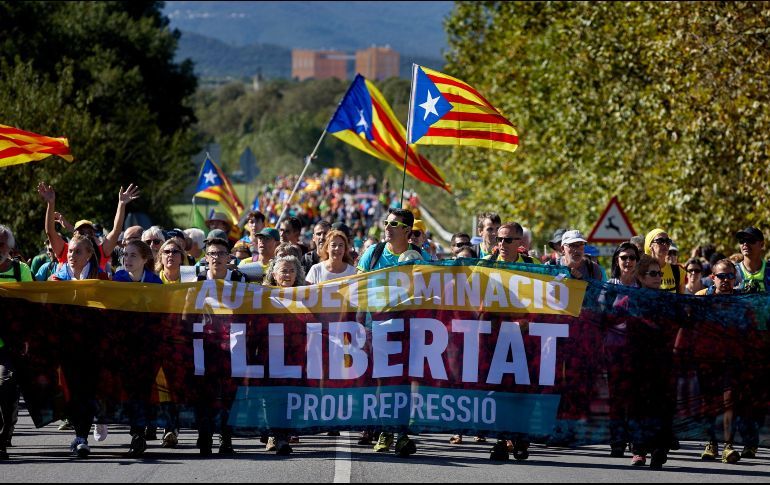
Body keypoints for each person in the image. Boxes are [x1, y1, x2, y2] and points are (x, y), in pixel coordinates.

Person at [355, 209, 426, 456]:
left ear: (407, 230)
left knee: (403, 383)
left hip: (408, 329)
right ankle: (385, 430)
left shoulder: (419, 256)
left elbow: (430, 290)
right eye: (386, 222)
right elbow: (357, 287)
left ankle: (402, 434)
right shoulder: (373, 253)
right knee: (382, 382)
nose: (387, 227)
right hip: (375, 327)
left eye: (393, 224)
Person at [194, 237, 248, 456]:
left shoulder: (239, 279)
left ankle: (226, 436)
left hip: (233, 341)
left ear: (229, 258)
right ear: (206, 258)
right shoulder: (197, 280)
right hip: (204, 342)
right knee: (203, 391)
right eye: (212, 254)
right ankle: (205, 434)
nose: (216, 258)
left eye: (221, 254)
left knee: (229, 392)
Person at [627, 255, 676, 469]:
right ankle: (639, 450)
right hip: (638, 361)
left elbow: (682, 322)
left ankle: (660, 449)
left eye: (660, 273)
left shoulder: (669, 300)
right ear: (640, 276)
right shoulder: (630, 298)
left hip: (663, 361)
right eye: (653, 273)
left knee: (662, 404)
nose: (658, 277)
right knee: (639, 404)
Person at [693, 259, 742, 464]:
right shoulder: (701, 297)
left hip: (732, 358)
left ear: (735, 278)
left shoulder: (742, 299)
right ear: (713, 278)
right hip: (706, 358)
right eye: (721, 276)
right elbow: (689, 325)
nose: (726, 280)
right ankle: (711, 444)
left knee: (729, 400)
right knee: (709, 402)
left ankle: (728, 446)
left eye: (730, 276)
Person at [37, 182, 140, 272]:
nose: (86, 234)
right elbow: (50, 232)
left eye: (89, 231)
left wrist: (121, 204)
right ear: (74, 234)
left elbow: (116, 230)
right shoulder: (66, 251)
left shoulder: (101, 252)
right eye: (82, 231)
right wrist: (51, 203)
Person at [262, 255, 306, 455]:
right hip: (270, 352)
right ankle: (275, 435)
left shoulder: (307, 295)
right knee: (271, 395)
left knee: (291, 396)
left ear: (297, 275)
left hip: (296, 353)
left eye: (291, 271)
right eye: (283, 271)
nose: (287, 275)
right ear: (273, 274)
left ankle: (283, 435)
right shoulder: (262, 295)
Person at [0, 226, 33, 461]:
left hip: (10, 345)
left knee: (5, 385)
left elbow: (31, 306)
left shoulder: (22, 271)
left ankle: (3, 436)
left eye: (1, 244)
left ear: (9, 247)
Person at [644, 229, 685, 293]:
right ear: (650, 246)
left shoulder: (678, 271)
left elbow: (682, 298)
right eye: (660, 241)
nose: (665, 244)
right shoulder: (642, 270)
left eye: (668, 241)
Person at [734, 227, 770, 293]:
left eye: (750, 240)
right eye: (742, 240)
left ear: (762, 244)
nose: (745, 243)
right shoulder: (733, 273)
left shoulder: (769, 269)